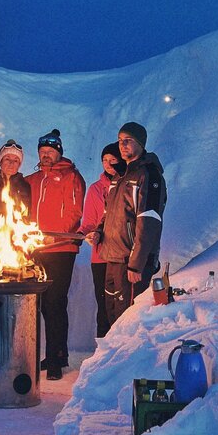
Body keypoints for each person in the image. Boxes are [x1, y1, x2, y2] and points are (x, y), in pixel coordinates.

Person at [24, 129, 85, 381]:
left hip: (61, 249)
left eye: (50, 151)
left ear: (59, 152)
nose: (46, 155)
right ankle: (51, 356)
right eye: (42, 152)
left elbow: (75, 212)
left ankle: (58, 357)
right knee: (40, 305)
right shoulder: (33, 180)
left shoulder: (71, 177)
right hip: (37, 250)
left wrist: (57, 236)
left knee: (55, 302)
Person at [97, 122, 167, 325]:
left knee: (128, 322)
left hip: (131, 262)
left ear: (141, 143)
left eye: (128, 140)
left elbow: (149, 221)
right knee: (113, 318)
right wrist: (99, 232)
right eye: (120, 140)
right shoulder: (119, 177)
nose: (122, 145)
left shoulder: (149, 175)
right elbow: (109, 214)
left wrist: (136, 265)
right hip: (113, 257)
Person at [78, 142, 126, 337]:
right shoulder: (96, 189)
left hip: (121, 254)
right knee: (103, 303)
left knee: (121, 304)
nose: (108, 164)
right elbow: (89, 220)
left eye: (112, 160)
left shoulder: (126, 185)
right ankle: (102, 350)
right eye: (104, 160)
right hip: (100, 256)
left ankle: (121, 345)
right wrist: (82, 233)